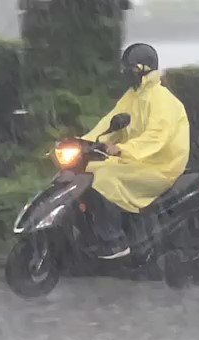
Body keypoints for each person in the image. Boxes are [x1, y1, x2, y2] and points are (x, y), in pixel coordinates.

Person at [81, 43, 191, 259]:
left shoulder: (162, 100)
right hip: (136, 162)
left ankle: (115, 241)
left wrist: (121, 149)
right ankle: (91, 234)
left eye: (130, 70)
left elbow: (156, 138)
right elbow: (110, 123)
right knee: (87, 169)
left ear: (143, 70)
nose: (125, 74)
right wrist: (84, 143)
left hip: (161, 167)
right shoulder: (133, 97)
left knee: (103, 178)